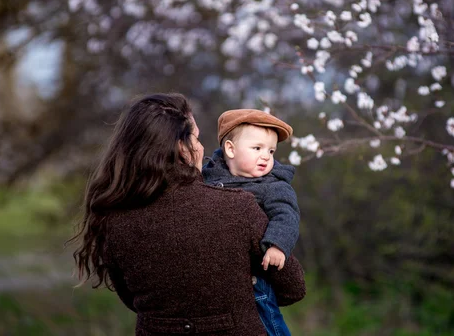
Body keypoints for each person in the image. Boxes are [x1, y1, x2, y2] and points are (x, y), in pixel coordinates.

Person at [68, 93, 306, 336]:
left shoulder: (115, 220)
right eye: (196, 137)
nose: (202, 147)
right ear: (181, 147)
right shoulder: (238, 208)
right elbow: (293, 287)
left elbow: (131, 298)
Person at [202, 109, 300, 336]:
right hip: (218, 278)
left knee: (269, 324)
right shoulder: (209, 178)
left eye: (271, 150)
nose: (266, 156)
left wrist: (277, 245)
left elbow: (286, 215)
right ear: (230, 149)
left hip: (256, 280)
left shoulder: (273, 185)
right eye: (257, 148)